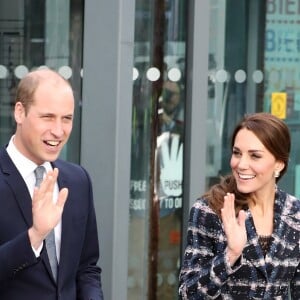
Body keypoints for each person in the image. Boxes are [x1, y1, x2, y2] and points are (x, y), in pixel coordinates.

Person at [0, 69, 104, 299]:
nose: (58, 131)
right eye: (47, 117)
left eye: (66, 118)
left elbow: (87, 268)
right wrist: (35, 236)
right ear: (20, 112)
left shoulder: (78, 181)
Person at [179, 112, 300, 299]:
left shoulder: (295, 213)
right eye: (237, 153)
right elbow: (188, 293)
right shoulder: (209, 210)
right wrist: (230, 254)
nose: (241, 164)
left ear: (279, 164)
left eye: (255, 156)